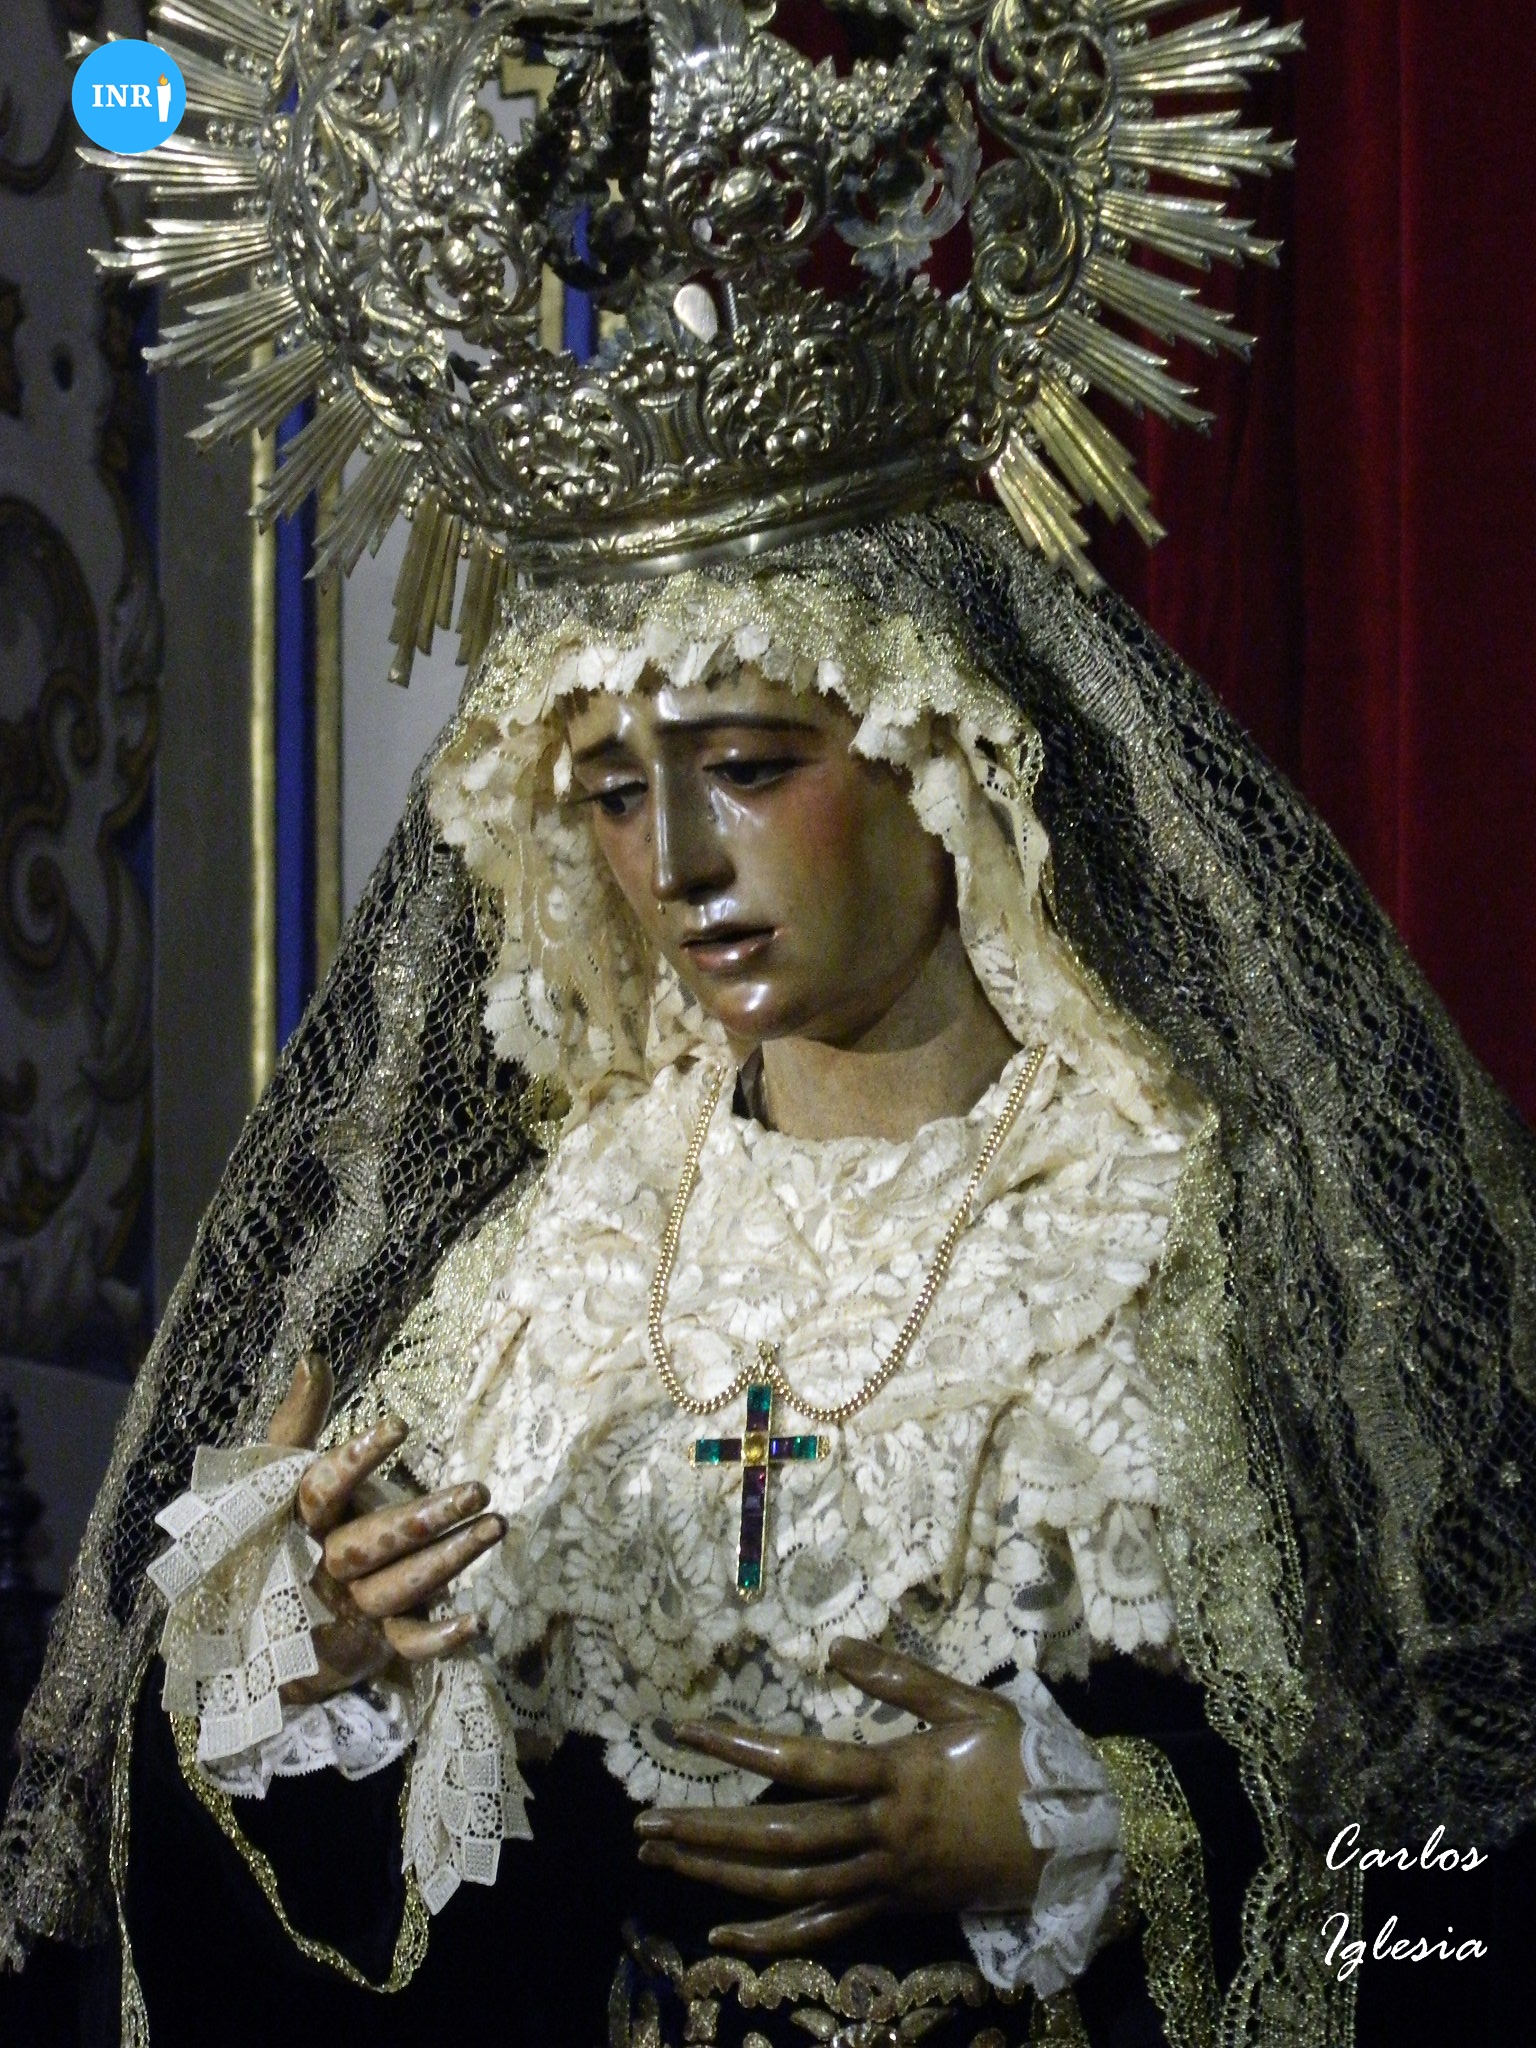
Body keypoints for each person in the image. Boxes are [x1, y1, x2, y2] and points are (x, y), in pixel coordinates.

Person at [4, 6, 1534, 2045]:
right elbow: (422, 1933)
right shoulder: (542, 1274)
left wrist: (1112, 1834)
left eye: (748, 766)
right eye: (614, 795)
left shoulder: (1212, 1228)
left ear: (940, 757)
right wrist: (321, 1691)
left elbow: (1477, 1885)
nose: (680, 865)